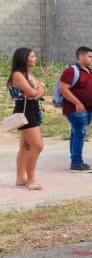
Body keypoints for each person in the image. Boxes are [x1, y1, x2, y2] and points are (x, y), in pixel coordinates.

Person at [7, 47, 45, 190]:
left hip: (32, 109)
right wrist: (37, 92)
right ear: (24, 58)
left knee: (26, 146)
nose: (35, 59)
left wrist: (37, 92)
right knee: (37, 146)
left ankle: (20, 178)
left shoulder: (27, 73)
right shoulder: (17, 74)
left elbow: (41, 90)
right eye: (32, 56)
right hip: (25, 111)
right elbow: (31, 92)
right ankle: (30, 179)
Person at [59, 46, 92, 173]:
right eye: (90, 56)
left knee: (76, 134)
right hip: (76, 109)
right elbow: (63, 88)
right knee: (80, 134)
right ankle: (76, 163)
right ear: (81, 56)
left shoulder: (90, 72)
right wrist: (77, 103)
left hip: (89, 109)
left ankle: (75, 161)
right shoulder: (71, 71)